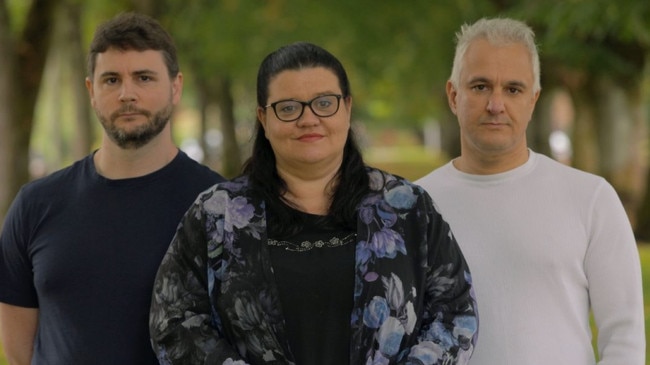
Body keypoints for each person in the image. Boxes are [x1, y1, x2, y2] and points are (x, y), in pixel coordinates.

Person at [149, 42, 478, 365]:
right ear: (263, 118)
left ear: (347, 108)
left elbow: (455, 312)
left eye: (324, 103)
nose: (308, 119)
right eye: (289, 107)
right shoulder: (217, 215)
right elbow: (173, 321)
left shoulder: (406, 208)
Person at [416, 17, 645, 364]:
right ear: (453, 95)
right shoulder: (414, 207)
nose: (496, 104)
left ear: (534, 99)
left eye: (513, 89)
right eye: (480, 87)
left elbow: (624, 334)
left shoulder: (589, 199)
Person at [0, 12, 225, 365]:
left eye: (144, 77)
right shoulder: (35, 205)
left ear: (176, 87)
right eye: (111, 80)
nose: (127, 94)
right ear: (91, 91)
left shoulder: (222, 207)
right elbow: (19, 351)